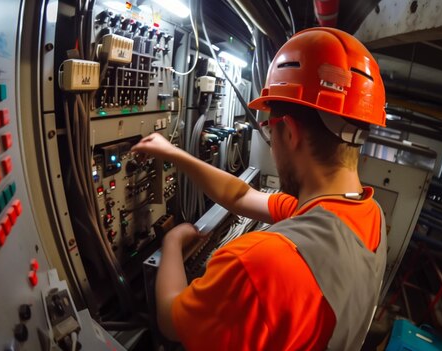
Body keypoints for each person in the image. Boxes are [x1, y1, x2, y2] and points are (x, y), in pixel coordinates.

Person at [132, 28, 387, 350]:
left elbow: (171, 321)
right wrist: (175, 154)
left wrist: (171, 243)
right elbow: (241, 196)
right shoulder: (365, 215)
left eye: (269, 129)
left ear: (289, 132)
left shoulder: (258, 262)